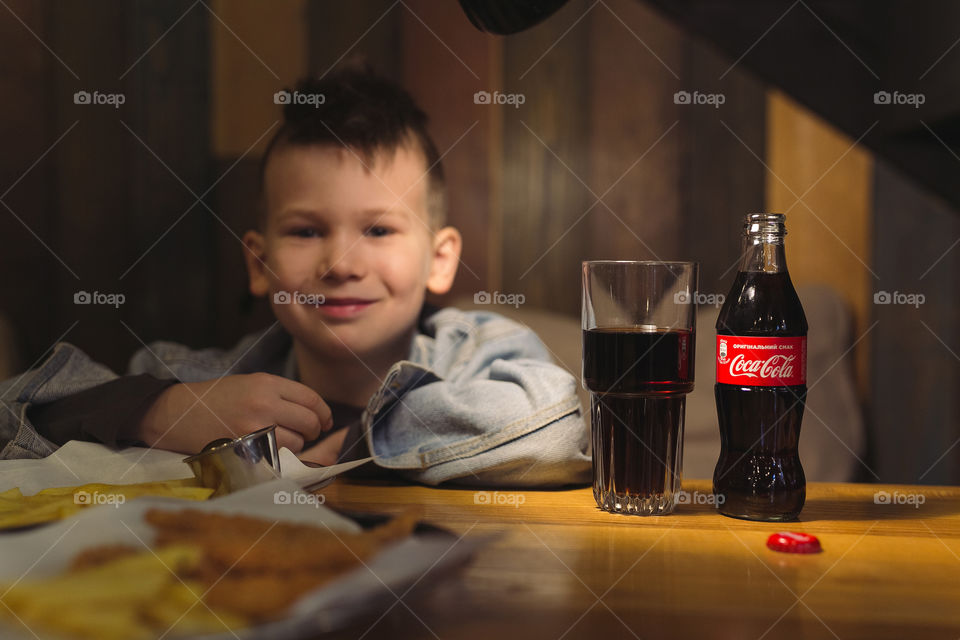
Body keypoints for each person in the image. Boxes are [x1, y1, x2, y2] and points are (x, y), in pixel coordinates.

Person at [0, 67, 590, 487]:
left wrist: (363, 437)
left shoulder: (481, 350)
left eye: (379, 231)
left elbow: (555, 424)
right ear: (260, 265)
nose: (340, 264)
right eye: (307, 231)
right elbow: (18, 409)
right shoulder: (215, 382)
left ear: (439, 260)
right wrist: (165, 412)